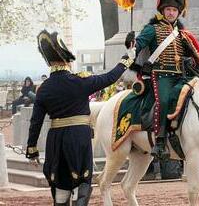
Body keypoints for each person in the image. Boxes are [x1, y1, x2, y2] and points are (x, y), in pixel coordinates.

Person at [25, 30, 135, 206]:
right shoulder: (79, 81)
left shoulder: (43, 89)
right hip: (78, 137)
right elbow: (110, 77)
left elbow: (35, 123)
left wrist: (31, 149)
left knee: (60, 189)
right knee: (81, 184)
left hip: (55, 139)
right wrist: (128, 56)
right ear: (67, 59)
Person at [125, 0, 199, 160]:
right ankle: (160, 140)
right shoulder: (152, 29)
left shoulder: (183, 34)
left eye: (174, 10)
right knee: (164, 100)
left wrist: (190, 62)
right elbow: (138, 45)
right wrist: (131, 43)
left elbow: (197, 59)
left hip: (182, 77)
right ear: (163, 10)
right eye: (168, 9)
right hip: (161, 76)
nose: (171, 13)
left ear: (179, 12)